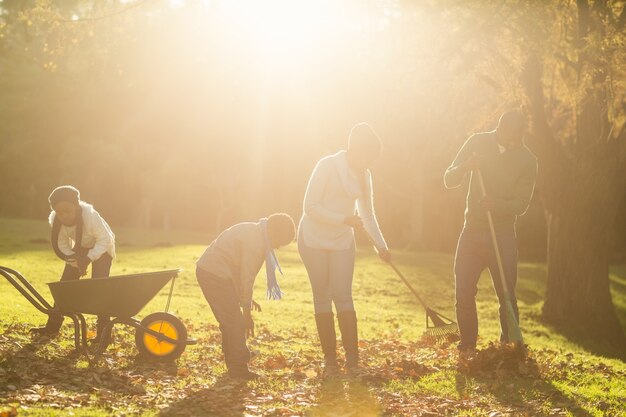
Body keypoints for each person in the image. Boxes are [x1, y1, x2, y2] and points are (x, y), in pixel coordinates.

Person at [298, 122, 391, 376]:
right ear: (354, 149)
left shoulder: (365, 175)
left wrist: (382, 247)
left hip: (341, 240)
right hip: (313, 238)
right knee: (323, 294)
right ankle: (330, 360)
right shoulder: (327, 165)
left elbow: (367, 215)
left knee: (343, 294)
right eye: (367, 155)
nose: (369, 162)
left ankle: (352, 360)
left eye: (373, 158)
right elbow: (310, 206)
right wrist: (342, 219)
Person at [444, 110, 537, 353]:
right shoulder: (477, 143)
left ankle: (509, 346)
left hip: (503, 236)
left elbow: (522, 204)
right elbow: (448, 178)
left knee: (507, 294)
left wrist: (495, 205)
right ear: (500, 129)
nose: (515, 141)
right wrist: (466, 166)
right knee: (463, 292)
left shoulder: (528, 161)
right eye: (511, 136)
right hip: (472, 232)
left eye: (519, 137)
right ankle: (467, 347)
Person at [196, 213, 296, 380]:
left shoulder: (254, 230)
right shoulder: (256, 244)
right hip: (214, 274)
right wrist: (247, 313)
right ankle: (238, 368)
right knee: (236, 321)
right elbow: (246, 277)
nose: (277, 248)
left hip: (216, 273)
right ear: (273, 233)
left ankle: (236, 357)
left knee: (230, 320)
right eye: (279, 243)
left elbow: (237, 269)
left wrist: (246, 299)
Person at [31, 185, 116, 345]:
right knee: (65, 285)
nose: (64, 216)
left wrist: (89, 258)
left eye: (68, 211)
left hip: (102, 248)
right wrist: (75, 260)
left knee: (100, 286)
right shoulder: (56, 221)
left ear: (76, 206)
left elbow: (104, 240)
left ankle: (105, 334)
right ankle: (52, 328)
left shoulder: (90, 216)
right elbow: (62, 244)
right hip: (80, 250)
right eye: (60, 212)